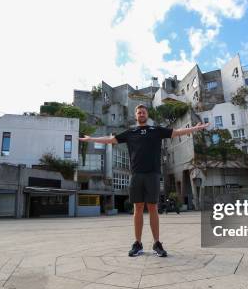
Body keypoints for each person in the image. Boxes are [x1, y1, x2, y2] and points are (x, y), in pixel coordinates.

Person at [80, 104, 209, 257]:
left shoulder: (156, 130)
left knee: (153, 208)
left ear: (147, 115)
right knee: (138, 208)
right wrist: (92, 139)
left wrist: (195, 129)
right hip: (136, 175)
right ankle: (138, 243)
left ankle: (156, 243)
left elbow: (177, 132)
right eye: (138, 112)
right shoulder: (130, 132)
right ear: (136, 116)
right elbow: (110, 139)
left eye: (143, 112)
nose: (141, 114)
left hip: (153, 174)